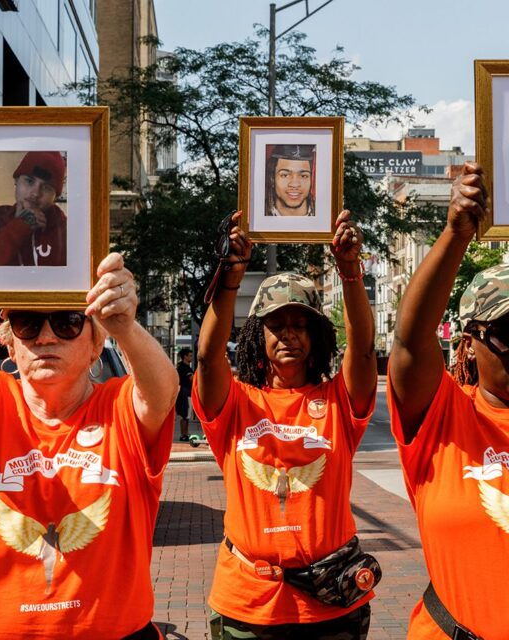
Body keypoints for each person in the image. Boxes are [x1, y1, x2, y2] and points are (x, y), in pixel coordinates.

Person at [0, 244, 178, 638]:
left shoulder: (118, 406)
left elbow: (161, 393)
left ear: (94, 345)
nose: (46, 337)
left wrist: (125, 325)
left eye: (68, 322)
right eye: (28, 324)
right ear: (10, 343)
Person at [193, 210, 378, 639]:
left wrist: (350, 271)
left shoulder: (337, 400)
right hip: (248, 604)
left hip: (330, 603)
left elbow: (365, 352)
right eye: (276, 325)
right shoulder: (236, 402)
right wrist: (231, 276)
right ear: (259, 335)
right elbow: (207, 357)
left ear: (317, 336)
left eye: (300, 325)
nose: (288, 335)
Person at [388, 162, 508, 639]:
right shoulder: (442, 418)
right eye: (507, 332)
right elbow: (410, 343)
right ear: (467, 345)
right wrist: (456, 234)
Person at [0, 150, 67, 266]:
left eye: (47, 187)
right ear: (16, 181)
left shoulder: (69, 234)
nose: (35, 193)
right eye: (29, 181)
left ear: (56, 196)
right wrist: (19, 227)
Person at [265, 144, 315, 217]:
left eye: (303, 176)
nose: (295, 184)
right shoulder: (257, 214)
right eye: (285, 175)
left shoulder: (325, 214)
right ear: (272, 178)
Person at [176, 348, 193, 441]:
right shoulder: (182, 367)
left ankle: (186, 433)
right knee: (184, 414)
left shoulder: (187, 367)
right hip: (184, 392)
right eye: (190, 355)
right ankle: (183, 434)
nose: (191, 357)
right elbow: (192, 379)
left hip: (188, 392)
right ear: (185, 356)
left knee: (187, 415)